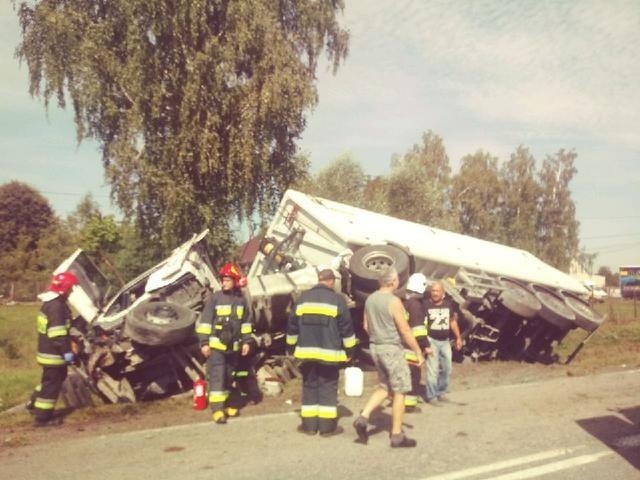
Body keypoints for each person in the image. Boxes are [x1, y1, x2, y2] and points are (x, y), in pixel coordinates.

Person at [352, 267, 424, 448]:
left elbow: (367, 326)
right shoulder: (394, 301)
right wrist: (418, 351)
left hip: (376, 347)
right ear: (394, 282)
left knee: (385, 386)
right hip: (392, 348)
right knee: (400, 390)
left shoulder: (370, 299)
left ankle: (363, 418)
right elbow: (405, 330)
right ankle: (397, 435)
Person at [286, 268, 356, 436]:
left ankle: (309, 426)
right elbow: (346, 328)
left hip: (306, 353)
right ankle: (326, 428)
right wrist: (350, 350)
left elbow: (292, 326)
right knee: (328, 387)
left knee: (309, 386)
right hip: (329, 353)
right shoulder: (337, 300)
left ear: (319, 280)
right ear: (331, 281)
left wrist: (291, 347)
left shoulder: (302, 299)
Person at [196, 262, 254, 424]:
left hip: (233, 347)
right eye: (223, 280)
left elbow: (246, 323)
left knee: (229, 377)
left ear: (235, 281)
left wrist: (246, 342)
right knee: (217, 377)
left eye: (228, 280)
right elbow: (206, 322)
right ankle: (217, 410)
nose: (224, 282)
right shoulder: (215, 298)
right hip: (216, 348)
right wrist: (204, 343)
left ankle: (227, 405)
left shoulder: (241, 300)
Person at [28, 271, 79, 427]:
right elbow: (57, 334)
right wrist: (67, 352)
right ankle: (42, 418)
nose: (72, 291)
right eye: (71, 288)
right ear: (64, 288)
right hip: (54, 354)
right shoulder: (57, 306)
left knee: (49, 380)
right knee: (52, 384)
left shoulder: (51, 303)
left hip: (47, 352)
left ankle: (33, 404)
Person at [423, 280, 463, 404]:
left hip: (445, 341)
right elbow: (421, 325)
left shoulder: (448, 305)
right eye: (433, 291)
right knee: (433, 369)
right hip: (431, 340)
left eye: (437, 291)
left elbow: (452, 322)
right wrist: (424, 343)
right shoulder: (425, 305)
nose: (435, 293)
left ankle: (441, 392)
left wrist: (458, 338)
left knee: (447, 368)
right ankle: (432, 396)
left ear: (443, 293)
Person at [402, 273, 432, 411]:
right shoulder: (416, 305)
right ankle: (409, 405)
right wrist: (426, 346)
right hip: (412, 347)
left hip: (402, 345)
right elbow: (419, 330)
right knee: (414, 376)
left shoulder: (405, 303)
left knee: (404, 375)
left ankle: (399, 400)